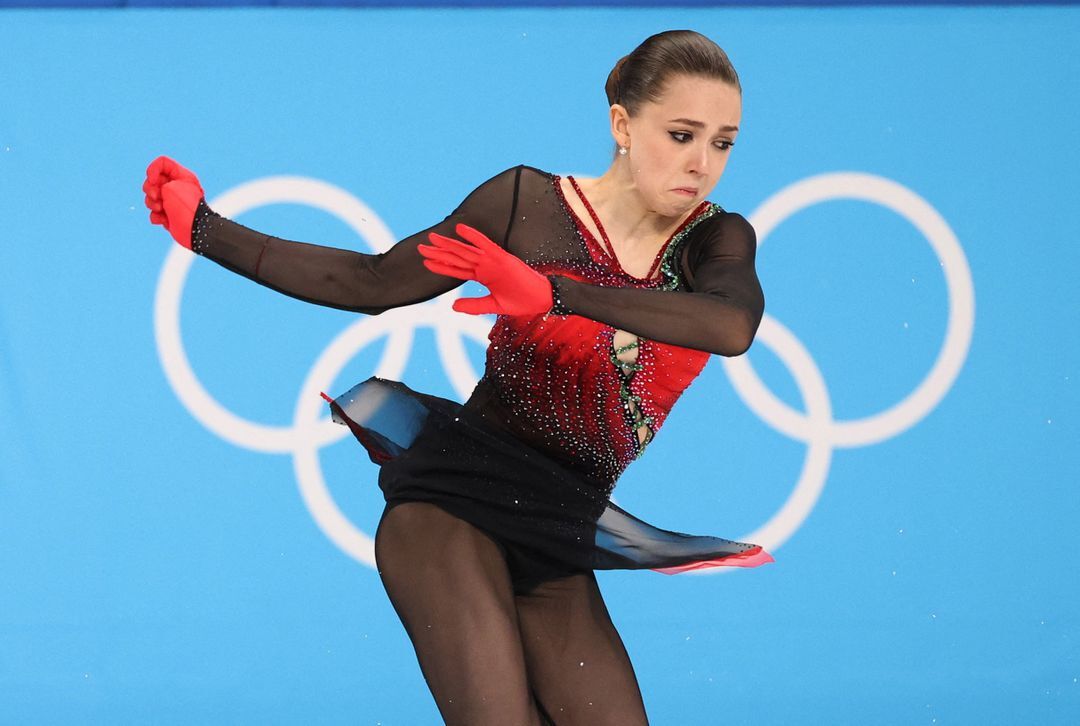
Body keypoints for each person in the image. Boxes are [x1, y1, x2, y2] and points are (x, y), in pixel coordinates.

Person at [143, 29, 772, 726]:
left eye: (723, 143)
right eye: (682, 134)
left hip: (555, 528)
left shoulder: (716, 240)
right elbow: (371, 280)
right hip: (450, 505)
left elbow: (731, 325)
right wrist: (205, 229)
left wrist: (556, 295)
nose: (702, 163)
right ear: (622, 124)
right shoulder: (524, 205)